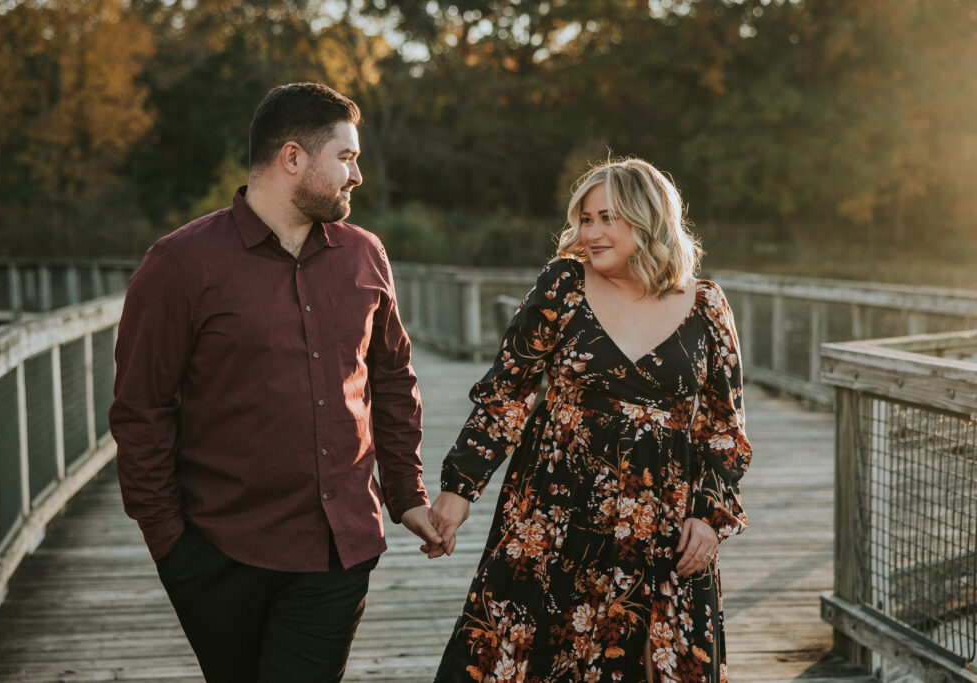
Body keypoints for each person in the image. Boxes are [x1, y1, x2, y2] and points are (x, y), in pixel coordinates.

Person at [109, 82, 443, 683]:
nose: (356, 176)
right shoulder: (180, 264)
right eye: (346, 157)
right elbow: (142, 409)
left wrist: (407, 493)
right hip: (218, 551)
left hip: (338, 549)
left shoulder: (365, 255)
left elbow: (392, 380)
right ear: (293, 158)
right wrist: (171, 545)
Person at [426, 157, 752, 682]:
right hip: (555, 510)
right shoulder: (562, 285)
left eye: (607, 218)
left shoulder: (708, 306)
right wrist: (459, 487)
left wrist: (710, 516)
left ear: (647, 221)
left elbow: (723, 426)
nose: (591, 233)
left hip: (660, 522)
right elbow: (507, 392)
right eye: (585, 219)